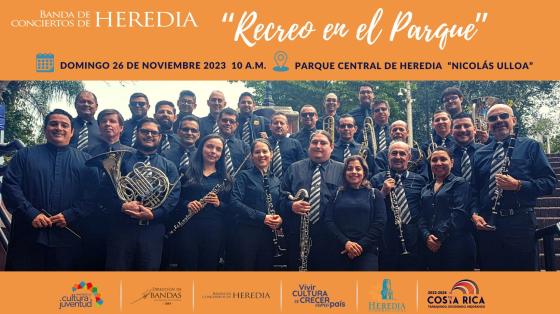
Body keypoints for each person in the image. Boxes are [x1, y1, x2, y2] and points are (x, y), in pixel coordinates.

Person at [2, 109, 98, 270]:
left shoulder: (87, 161)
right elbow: (10, 186)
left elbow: (93, 195)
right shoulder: (24, 155)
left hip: (68, 237)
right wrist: (31, 213)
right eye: (53, 124)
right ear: (45, 129)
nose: (59, 128)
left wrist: (71, 214)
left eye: (64, 125)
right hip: (28, 233)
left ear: (72, 131)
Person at [470, 104, 557, 270]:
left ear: (513, 120)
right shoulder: (480, 153)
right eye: (493, 118)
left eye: (503, 116)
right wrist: (474, 213)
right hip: (488, 225)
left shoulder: (531, 146)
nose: (499, 121)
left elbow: (549, 182)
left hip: (520, 223)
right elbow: (474, 190)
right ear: (488, 124)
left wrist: (519, 185)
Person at [104, 117, 180, 270]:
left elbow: (173, 196)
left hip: (152, 230)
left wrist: (155, 214)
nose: (149, 135)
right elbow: (105, 192)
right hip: (122, 227)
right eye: (145, 131)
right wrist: (122, 205)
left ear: (160, 136)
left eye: (154, 132)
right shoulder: (121, 161)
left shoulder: (169, 166)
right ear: (137, 133)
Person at [281, 130, 344, 270]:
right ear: (308, 146)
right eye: (314, 142)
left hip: (331, 236)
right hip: (298, 234)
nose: (318, 146)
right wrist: (291, 205)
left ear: (332, 147)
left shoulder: (342, 170)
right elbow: (281, 196)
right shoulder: (294, 168)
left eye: (323, 143)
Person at [81, 109, 134, 270]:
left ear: (121, 127)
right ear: (99, 126)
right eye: (103, 121)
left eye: (112, 121)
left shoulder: (132, 153)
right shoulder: (87, 152)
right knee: (92, 263)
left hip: (122, 218)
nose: (108, 124)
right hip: (92, 216)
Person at [174, 134, 232, 270]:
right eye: (209, 146)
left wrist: (219, 203)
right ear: (201, 148)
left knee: (208, 268)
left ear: (222, 154)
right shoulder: (185, 171)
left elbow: (231, 207)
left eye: (218, 149)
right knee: (186, 267)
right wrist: (187, 204)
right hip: (188, 228)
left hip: (214, 231)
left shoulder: (225, 178)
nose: (213, 151)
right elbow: (174, 198)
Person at [371, 141, 426, 270]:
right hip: (387, 237)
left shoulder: (419, 180)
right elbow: (370, 208)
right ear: (388, 156)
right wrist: (383, 192)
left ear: (409, 157)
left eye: (402, 153)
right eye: (394, 153)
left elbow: (425, 209)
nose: (398, 157)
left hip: (415, 237)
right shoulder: (376, 179)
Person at [324, 156, 386, 271]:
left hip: (367, 252)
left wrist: (360, 246)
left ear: (364, 172)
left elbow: (380, 223)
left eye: (358, 168)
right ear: (344, 173)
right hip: (340, 250)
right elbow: (328, 220)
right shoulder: (337, 194)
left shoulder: (374, 194)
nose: (354, 172)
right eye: (349, 169)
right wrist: (346, 243)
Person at [418, 148, 476, 270]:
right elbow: (422, 215)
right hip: (432, 245)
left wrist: (438, 237)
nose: (438, 163)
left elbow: (459, 213)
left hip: (457, 245)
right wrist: (427, 236)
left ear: (452, 162)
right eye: (434, 160)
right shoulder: (426, 188)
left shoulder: (460, 183)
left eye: (443, 159)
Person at [230, 139, 284, 270]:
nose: (261, 155)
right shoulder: (244, 176)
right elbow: (234, 202)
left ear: (271, 154)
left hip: (268, 234)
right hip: (247, 232)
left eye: (265, 151)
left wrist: (280, 219)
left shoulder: (276, 180)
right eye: (257, 152)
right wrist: (262, 217)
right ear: (251, 156)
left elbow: (279, 205)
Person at [268, 112, 306, 180]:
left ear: (287, 127)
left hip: (290, 183)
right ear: (270, 126)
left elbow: (302, 166)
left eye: (282, 123)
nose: (279, 125)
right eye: (275, 123)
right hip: (268, 183)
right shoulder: (264, 144)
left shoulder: (295, 143)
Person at [450, 112, 483, 183]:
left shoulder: (486, 152)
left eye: (466, 126)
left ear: (474, 129)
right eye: (457, 127)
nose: (462, 130)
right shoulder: (446, 156)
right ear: (451, 132)